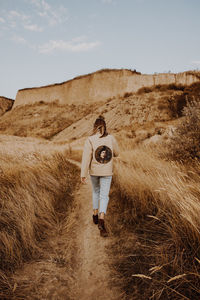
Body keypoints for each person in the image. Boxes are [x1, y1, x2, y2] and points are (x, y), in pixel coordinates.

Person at [81, 115, 119, 237]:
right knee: (104, 195)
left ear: (94, 127)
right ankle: (102, 220)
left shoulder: (90, 139)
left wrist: (83, 174)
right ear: (105, 126)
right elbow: (117, 153)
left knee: (96, 192)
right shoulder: (111, 138)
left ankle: (95, 214)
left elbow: (86, 158)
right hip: (107, 171)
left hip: (94, 172)